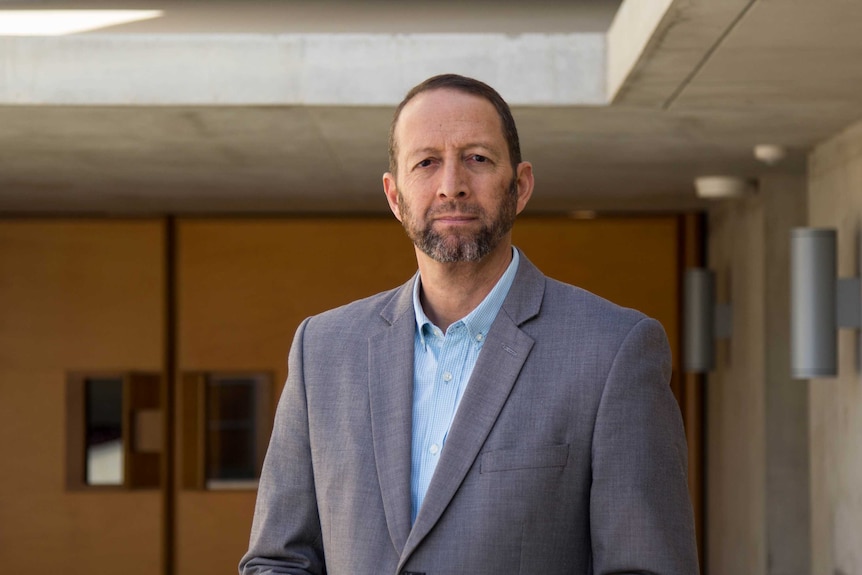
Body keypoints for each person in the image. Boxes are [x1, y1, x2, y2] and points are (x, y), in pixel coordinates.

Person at [239, 74, 699, 575]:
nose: (452, 185)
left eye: (477, 158)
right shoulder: (322, 352)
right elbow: (278, 560)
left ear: (520, 186)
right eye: (426, 162)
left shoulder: (613, 351)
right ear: (394, 196)